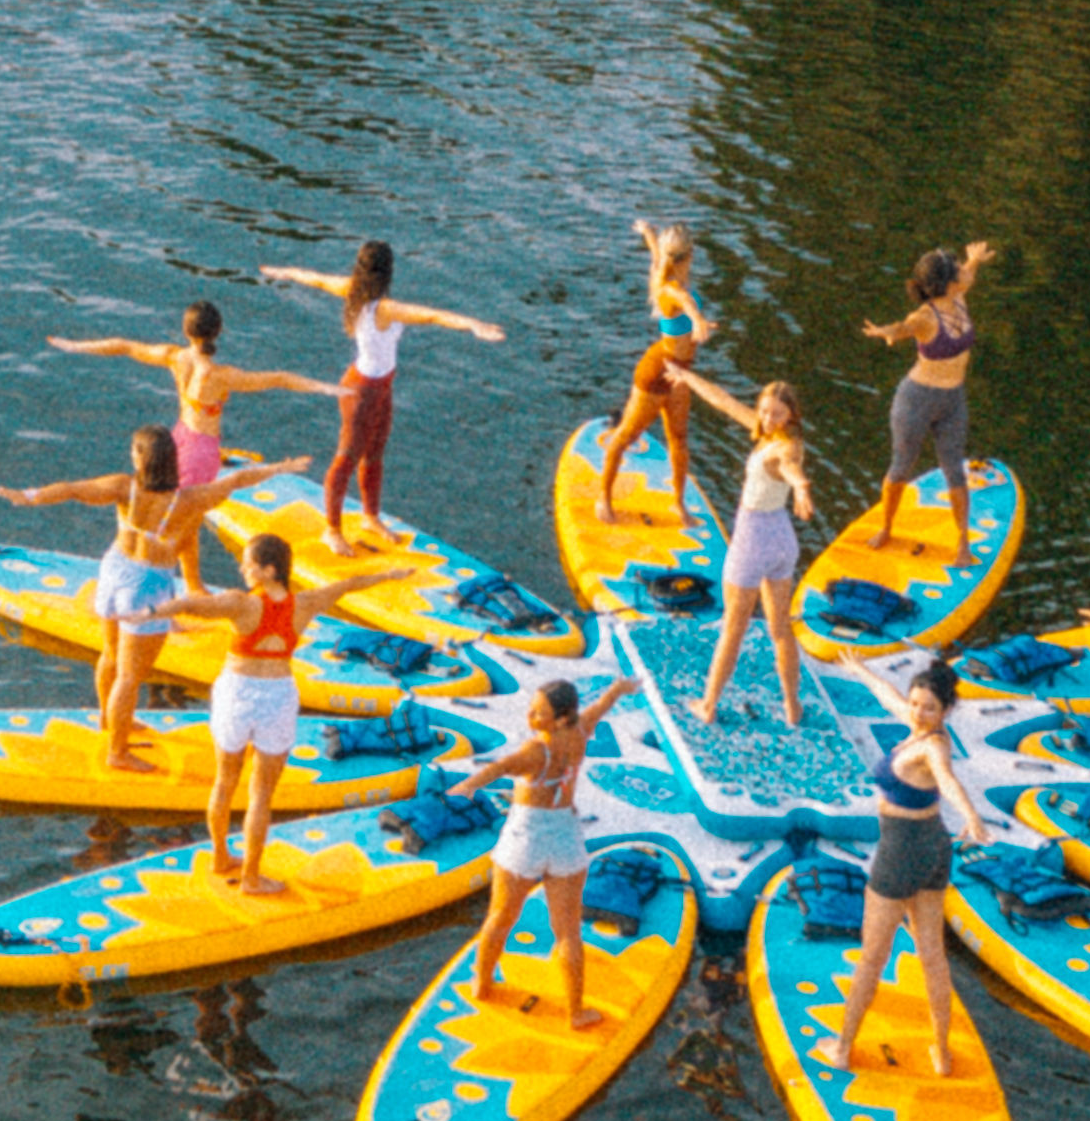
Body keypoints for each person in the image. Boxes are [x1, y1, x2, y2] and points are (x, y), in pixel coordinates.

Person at [0, 427, 304, 772]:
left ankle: (108, 719)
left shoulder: (123, 487)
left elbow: (72, 490)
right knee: (130, 676)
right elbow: (237, 481)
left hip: (113, 570)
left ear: (142, 458)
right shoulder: (189, 500)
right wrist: (280, 468)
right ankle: (118, 751)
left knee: (111, 656)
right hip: (147, 584)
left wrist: (28, 495)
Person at [165, 531, 433, 891]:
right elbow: (349, 585)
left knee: (225, 782)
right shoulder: (304, 604)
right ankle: (250, 877)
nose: (241, 566)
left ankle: (220, 856)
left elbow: (193, 606)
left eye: (249, 562)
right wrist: (390, 575)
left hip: (237, 692)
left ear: (269, 570)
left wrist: (151, 609)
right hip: (276, 695)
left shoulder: (241, 604)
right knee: (261, 794)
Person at [814, 659, 999, 1073]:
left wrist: (971, 814)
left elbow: (947, 779)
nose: (916, 711)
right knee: (932, 954)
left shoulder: (933, 746)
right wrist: (858, 668)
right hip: (933, 848)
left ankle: (842, 1048)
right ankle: (941, 1054)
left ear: (946, 711)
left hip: (900, 853)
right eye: (915, 703)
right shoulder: (921, 728)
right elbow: (889, 697)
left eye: (928, 707)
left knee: (872, 957)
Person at [258, 242, 502, 548]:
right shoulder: (385, 308)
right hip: (361, 391)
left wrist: (284, 272)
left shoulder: (353, 291)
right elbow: (431, 316)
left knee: (374, 454)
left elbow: (316, 278)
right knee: (347, 457)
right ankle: (331, 529)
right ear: (388, 273)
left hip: (380, 388)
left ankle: (370, 516)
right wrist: (473, 325)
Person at [449, 666, 642, 1021]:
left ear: (560, 717)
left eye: (539, 712)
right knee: (568, 931)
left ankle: (482, 984)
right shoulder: (581, 730)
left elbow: (501, 766)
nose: (530, 716)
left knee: (501, 917)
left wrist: (467, 785)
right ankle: (576, 1012)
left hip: (526, 837)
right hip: (565, 835)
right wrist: (620, 689)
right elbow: (601, 705)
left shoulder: (537, 750)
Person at [45, 301, 336, 494]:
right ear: (218, 332)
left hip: (177, 437)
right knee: (184, 516)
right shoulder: (222, 375)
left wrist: (74, 346)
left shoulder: (173, 356)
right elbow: (280, 379)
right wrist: (327, 388)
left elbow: (124, 346)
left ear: (186, 331)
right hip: (201, 452)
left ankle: (192, 581)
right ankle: (189, 583)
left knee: (167, 505)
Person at [675, 370, 821, 725]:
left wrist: (802, 489)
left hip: (753, 539)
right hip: (782, 539)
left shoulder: (783, 448)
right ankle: (792, 707)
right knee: (779, 628)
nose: (768, 418)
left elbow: (790, 470)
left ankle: (707, 705)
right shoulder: (771, 434)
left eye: (777, 413)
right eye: (764, 410)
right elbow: (723, 401)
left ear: (791, 416)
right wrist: (686, 377)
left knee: (733, 628)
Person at [855, 240, 1001, 554]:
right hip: (917, 400)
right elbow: (905, 327)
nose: (965, 271)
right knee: (901, 467)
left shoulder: (960, 294)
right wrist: (887, 332)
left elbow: (970, 272)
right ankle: (886, 528)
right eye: (959, 269)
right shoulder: (926, 316)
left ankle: (963, 541)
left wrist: (974, 259)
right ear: (947, 284)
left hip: (953, 400)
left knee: (954, 468)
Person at [590, 221, 712, 520]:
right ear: (690, 255)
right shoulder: (671, 290)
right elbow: (686, 303)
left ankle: (679, 503)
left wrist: (647, 233)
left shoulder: (664, 274)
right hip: (658, 371)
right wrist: (697, 320)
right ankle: (603, 499)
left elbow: (656, 255)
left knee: (679, 439)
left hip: (681, 372)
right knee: (626, 435)